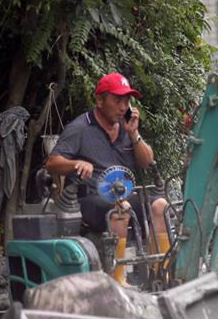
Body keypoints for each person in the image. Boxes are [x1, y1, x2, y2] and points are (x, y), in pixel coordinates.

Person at [46, 72, 169, 284]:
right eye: (117, 100)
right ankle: (117, 278)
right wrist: (76, 164)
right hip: (90, 200)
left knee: (161, 205)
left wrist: (134, 135)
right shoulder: (80, 128)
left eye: (127, 101)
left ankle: (160, 274)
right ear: (100, 101)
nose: (123, 107)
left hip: (124, 196)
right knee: (121, 208)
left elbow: (148, 162)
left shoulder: (127, 127)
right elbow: (52, 162)